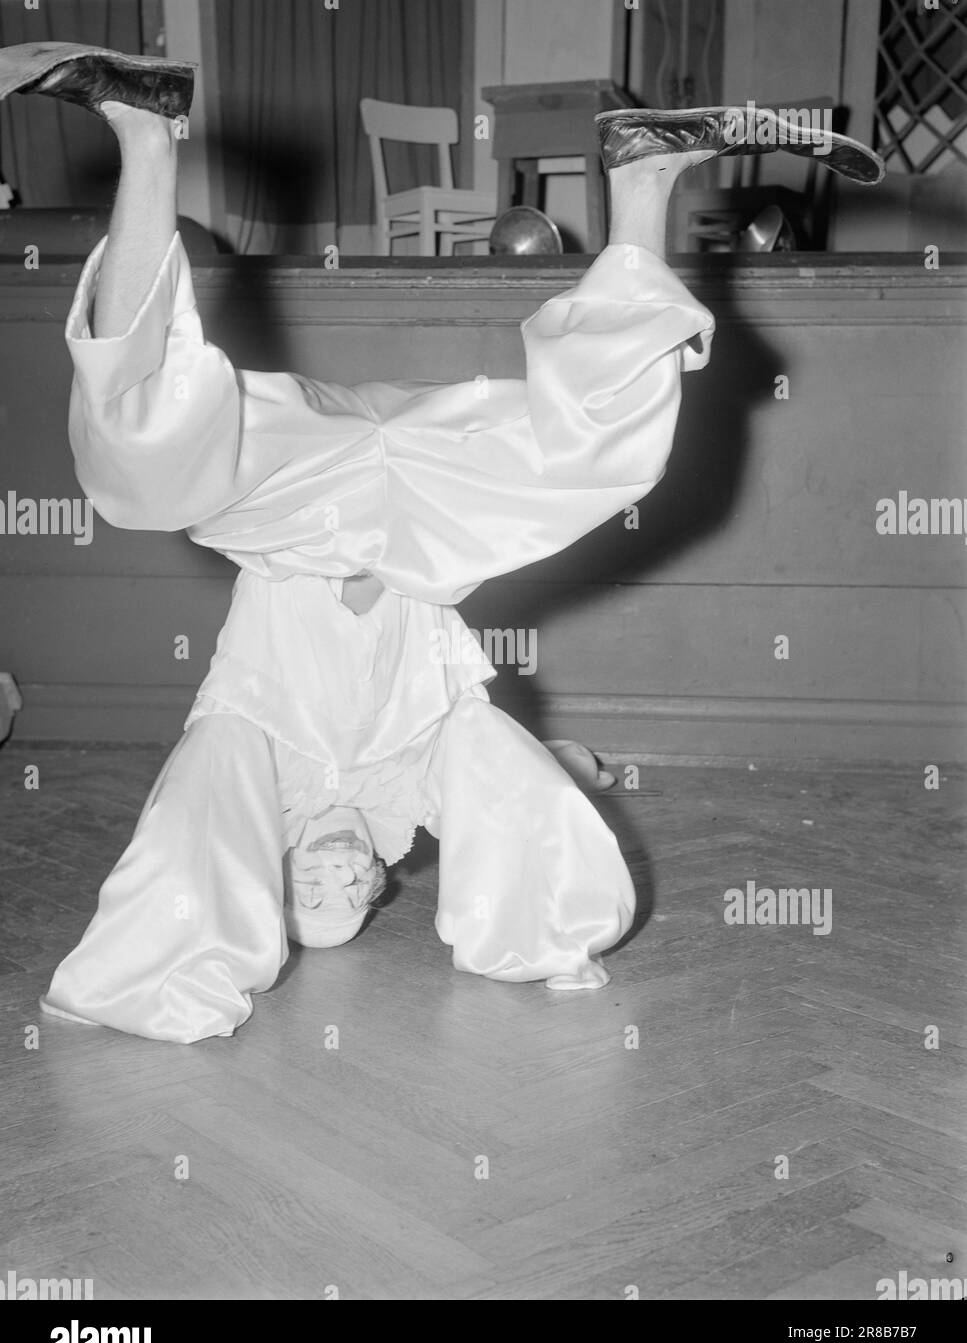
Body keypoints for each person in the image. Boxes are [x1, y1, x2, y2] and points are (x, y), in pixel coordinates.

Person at [0, 44, 884, 1043]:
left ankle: (144, 128)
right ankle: (642, 176)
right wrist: (555, 943)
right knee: (603, 464)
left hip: (294, 482)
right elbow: (518, 811)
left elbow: (185, 857)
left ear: (275, 868)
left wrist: (151, 971)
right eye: (352, 889)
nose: (334, 872)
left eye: (310, 889)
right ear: (382, 877)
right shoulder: (415, 770)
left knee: (139, 463)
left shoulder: (242, 754)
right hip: (431, 485)